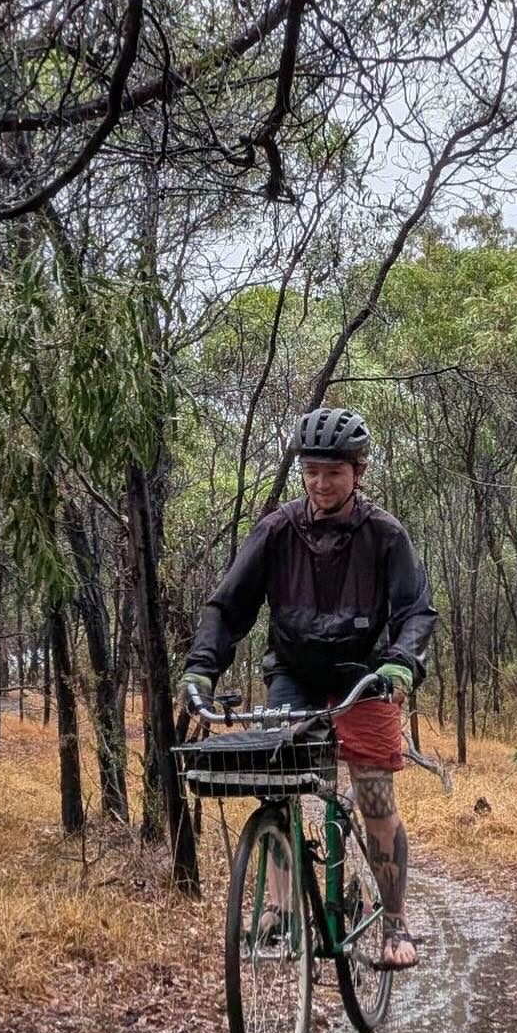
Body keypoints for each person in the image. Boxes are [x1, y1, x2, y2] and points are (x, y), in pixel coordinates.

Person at [181, 406, 436, 969]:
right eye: (312, 472)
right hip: (293, 672)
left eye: (334, 473)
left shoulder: (385, 535)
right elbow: (229, 606)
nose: (321, 484)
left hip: (364, 677)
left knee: (373, 796)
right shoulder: (276, 530)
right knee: (276, 785)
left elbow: (417, 610)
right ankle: (278, 910)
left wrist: (400, 664)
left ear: (359, 472)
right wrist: (202, 667)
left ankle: (395, 925)